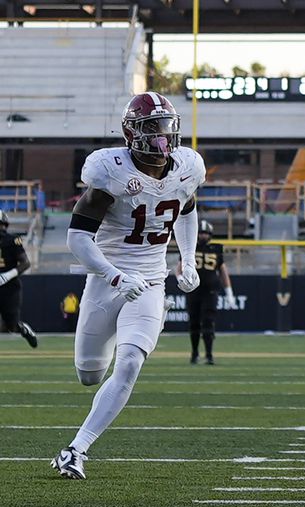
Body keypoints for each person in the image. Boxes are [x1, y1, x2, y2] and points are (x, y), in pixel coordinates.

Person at [51, 92, 205, 479]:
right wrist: (115, 275)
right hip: (107, 280)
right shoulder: (109, 170)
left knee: (131, 362)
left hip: (152, 281)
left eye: (167, 126)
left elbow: (187, 209)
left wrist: (187, 258)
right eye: (152, 128)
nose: (162, 137)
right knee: (89, 373)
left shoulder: (186, 167)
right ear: (130, 132)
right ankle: (89, 391)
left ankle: (76, 449)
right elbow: (77, 239)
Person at [178, 220, 236, 365]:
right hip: (194, 290)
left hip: (210, 291)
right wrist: (180, 278)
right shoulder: (190, 248)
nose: (203, 236)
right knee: (194, 323)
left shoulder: (216, 249)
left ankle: (209, 355)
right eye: (201, 233)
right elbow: (179, 268)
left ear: (210, 235)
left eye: (206, 233)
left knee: (209, 322)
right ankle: (194, 353)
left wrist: (229, 292)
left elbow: (223, 272)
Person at [0, 210, 37, 347]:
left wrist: (7, 275)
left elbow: (26, 263)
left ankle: (23, 329)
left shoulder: (12, 240)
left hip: (10, 288)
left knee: (11, 325)